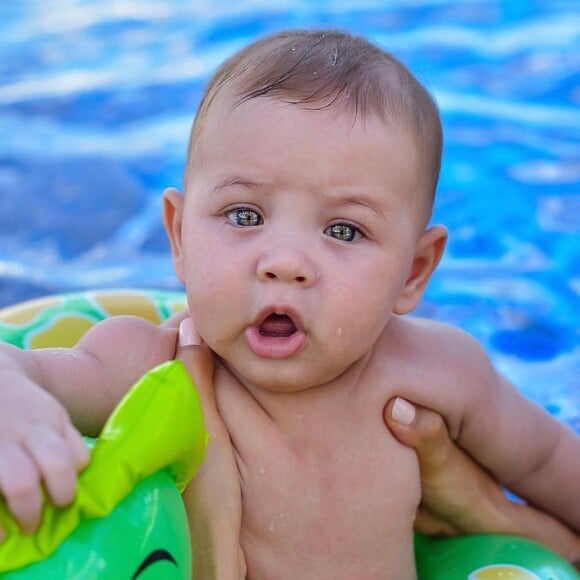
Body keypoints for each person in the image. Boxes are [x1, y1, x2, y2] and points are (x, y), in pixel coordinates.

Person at [0, 28, 578, 578]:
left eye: (345, 230)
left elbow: (550, 462)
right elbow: (21, 365)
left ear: (414, 271)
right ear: (179, 236)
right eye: (244, 215)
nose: (285, 262)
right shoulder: (151, 361)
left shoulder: (438, 373)